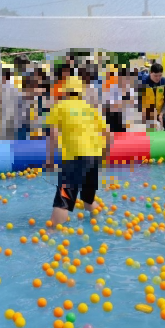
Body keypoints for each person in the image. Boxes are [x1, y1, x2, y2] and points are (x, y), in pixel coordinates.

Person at [44, 76, 112, 227]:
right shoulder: (91, 108)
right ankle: (101, 222)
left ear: (65, 91)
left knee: (63, 200)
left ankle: (53, 234)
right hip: (94, 158)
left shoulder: (59, 107)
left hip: (74, 157)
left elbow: (53, 135)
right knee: (88, 199)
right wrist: (104, 155)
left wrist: (49, 159)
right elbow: (108, 133)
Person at [140, 63, 165, 131]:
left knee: (163, 136)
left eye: (160, 75)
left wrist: (162, 114)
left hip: (160, 114)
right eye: (155, 75)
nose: (158, 78)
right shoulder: (142, 82)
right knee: (149, 138)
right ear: (150, 73)